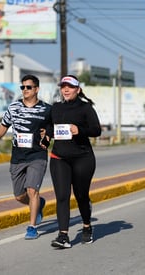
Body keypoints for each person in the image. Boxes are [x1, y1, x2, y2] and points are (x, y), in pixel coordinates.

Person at [0, 74, 51, 239]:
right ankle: (39, 204)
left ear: (36, 89)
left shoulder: (47, 109)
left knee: (32, 190)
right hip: (18, 155)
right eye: (22, 87)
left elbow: (51, 129)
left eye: (28, 87)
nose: (25, 90)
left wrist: (48, 136)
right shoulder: (14, 107)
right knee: (19, 196)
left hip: (37, 155)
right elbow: (4, 125)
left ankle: (32, 227)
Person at [47, 75, 102, 249]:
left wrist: (80, 130)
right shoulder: (55, 108)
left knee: (81, 196)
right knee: (62, 197)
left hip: (82, 158)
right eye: (63, 86)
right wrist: (46, 135)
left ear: (77, 89)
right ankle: (63, 235)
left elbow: (96, 130)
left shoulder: (85, 108)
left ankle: (87, 225)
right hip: (59, 157)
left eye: (70, 86)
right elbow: (48, 126)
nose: (66, 89)